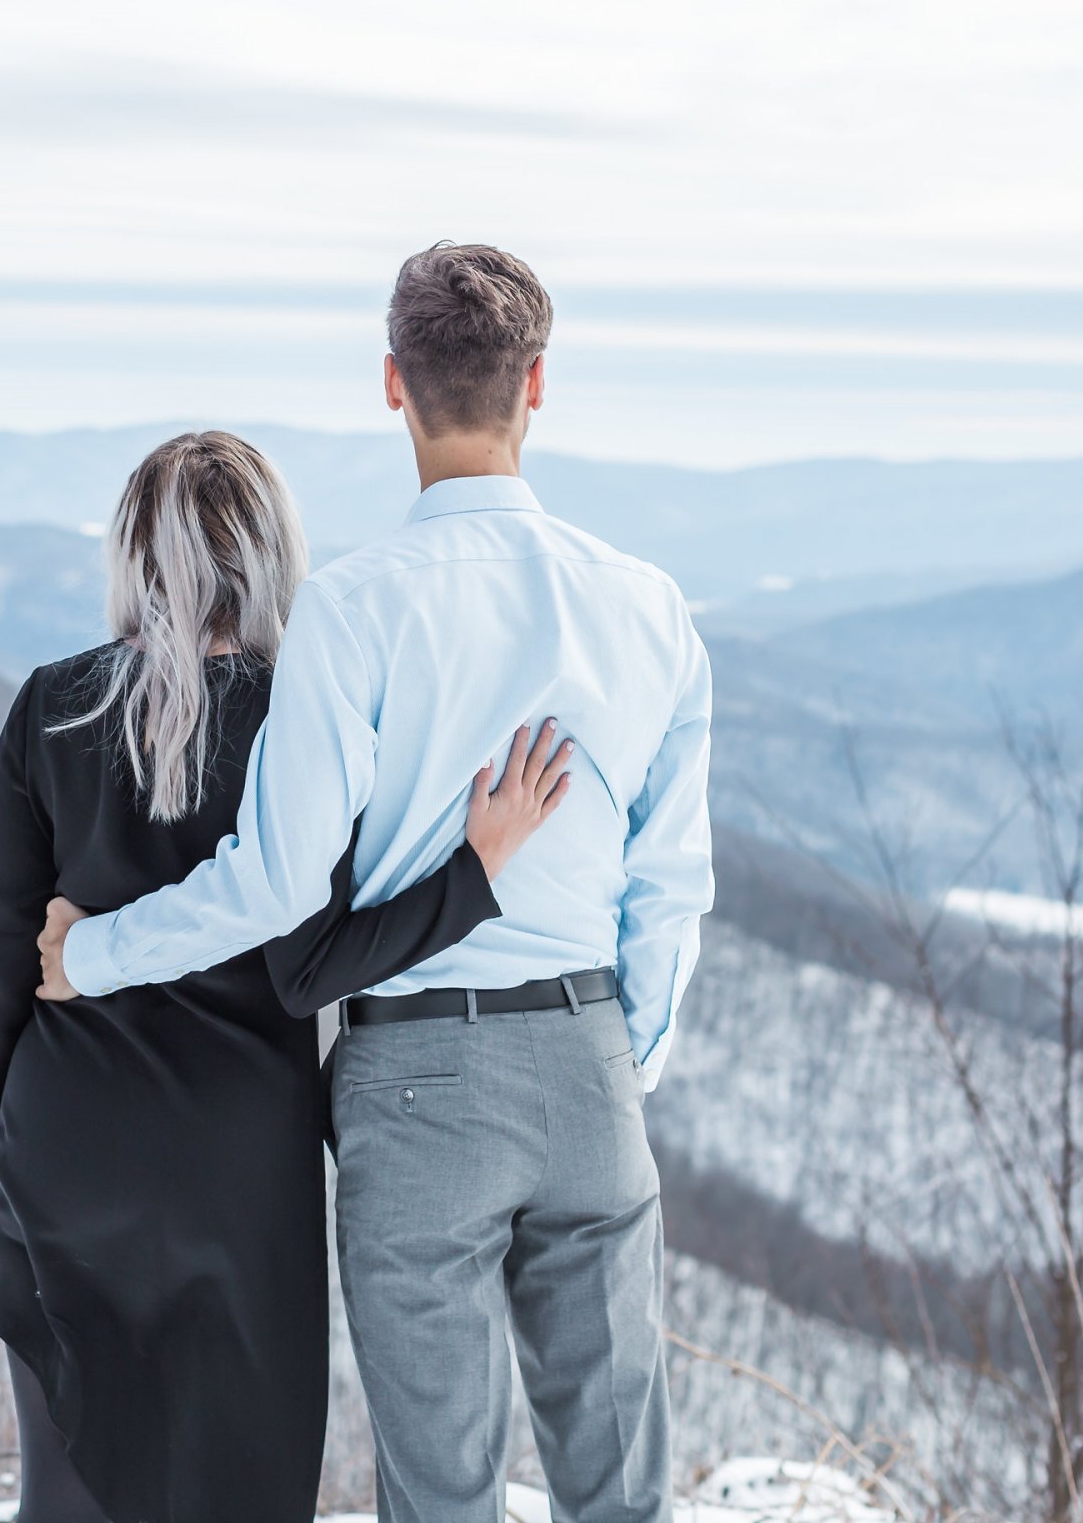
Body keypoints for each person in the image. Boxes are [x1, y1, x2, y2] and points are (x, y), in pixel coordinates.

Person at [40, 243, 714, 1523]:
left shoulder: (355, 610)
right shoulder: (649, 608)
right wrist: (619, 1060)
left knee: (443, 1492)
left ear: (394, 383)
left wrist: (94, 953)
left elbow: (274, 885)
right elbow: (672, 887)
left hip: (417, 1079)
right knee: (624, 1491)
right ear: (538, 384)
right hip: (590, 1058)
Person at [0, 428, 577, 1523]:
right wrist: (473, 874)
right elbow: (313, 967)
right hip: (234, 1173)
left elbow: (9, 953)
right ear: (269, 556)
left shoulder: (48, 706)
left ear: (133, 557)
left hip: (62, 1152)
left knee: (69, 1494)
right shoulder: (303, 713)